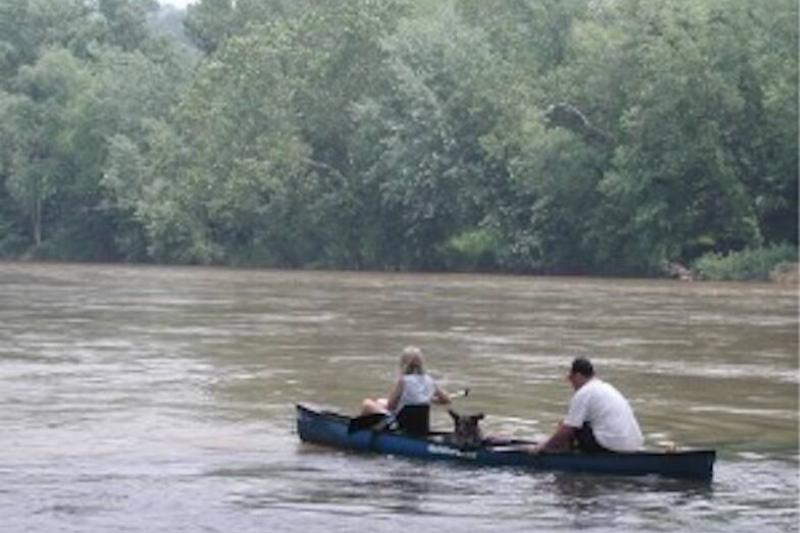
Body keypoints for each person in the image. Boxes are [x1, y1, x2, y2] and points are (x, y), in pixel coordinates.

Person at [531, 357, 643, 453]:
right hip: (633, 445)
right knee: (574, 423)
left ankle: (562, 455)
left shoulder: (584, 392)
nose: (572, 384)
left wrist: (543, 447)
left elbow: (568, 429)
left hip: (611, 446)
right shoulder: (606, 387)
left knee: (568, 426)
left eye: (571, 379)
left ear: (578, 376)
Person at [360, 346, 451, 434]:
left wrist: (427, 399)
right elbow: (446, 400)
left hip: (400, 424)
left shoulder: (403, 381)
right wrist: (429, 399)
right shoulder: (430, 380)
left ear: (403, 363)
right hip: (421, 426)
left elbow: (391, 406)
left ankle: (363, 432)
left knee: (367, 404)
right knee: (380, 401)